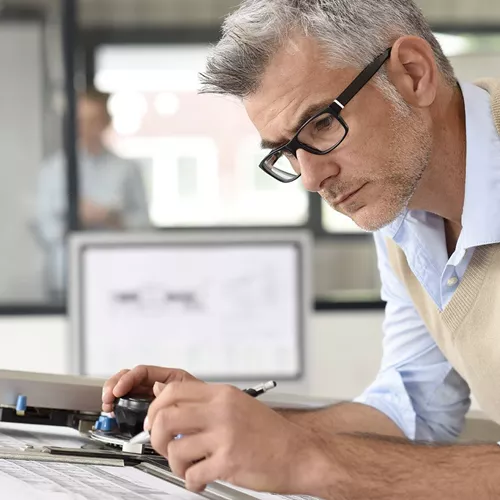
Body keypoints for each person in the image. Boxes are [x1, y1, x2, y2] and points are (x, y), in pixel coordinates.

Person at [102, 0, 500, 497]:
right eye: (286, 150)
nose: (311, 179)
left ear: (413, 75)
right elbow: (412, 408)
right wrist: (234, 424)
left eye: (322, 124)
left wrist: (311, 460)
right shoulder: (401, 213)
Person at [35, 88, 150, 301]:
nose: (86, 128)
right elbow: (45, 228)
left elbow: (144, 224)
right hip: (67, 281)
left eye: (93, 120)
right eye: (81, 121)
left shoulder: (127, 170)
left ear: (106, 122)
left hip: (118, 278)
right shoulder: (53, 170)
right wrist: (75, 217)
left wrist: (113, 219)